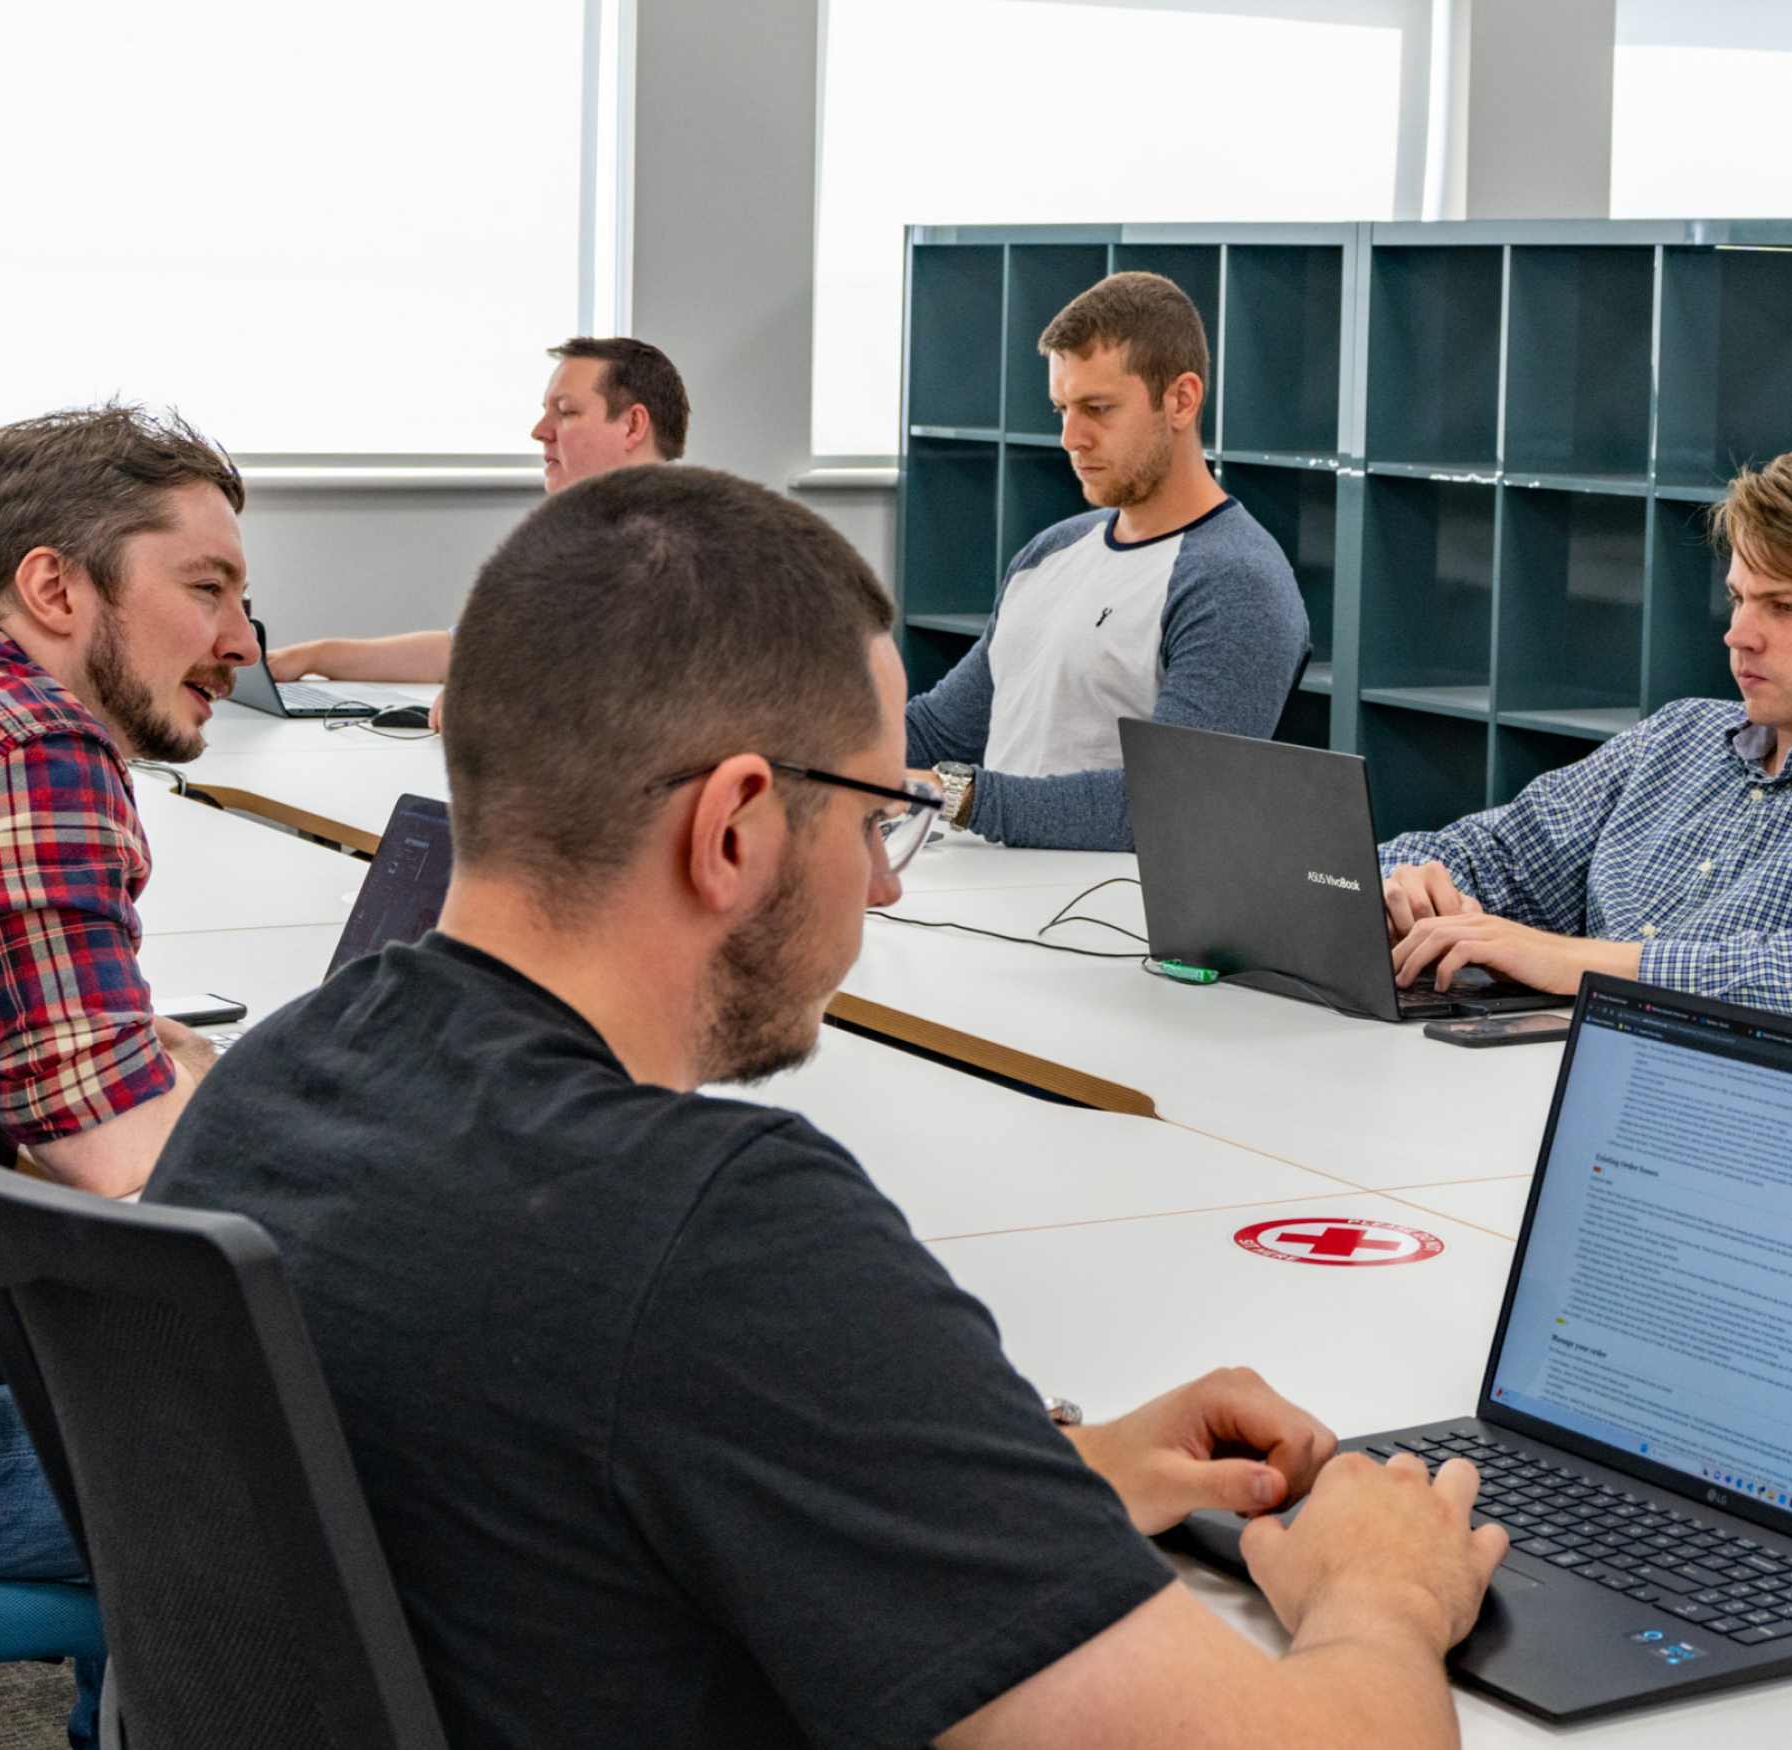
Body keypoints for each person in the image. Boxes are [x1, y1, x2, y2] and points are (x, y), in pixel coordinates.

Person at [145, 466, 1498, 1747]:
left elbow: (576, 1458)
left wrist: (1031, 1478)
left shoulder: (267, 1086)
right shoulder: (720, 1235)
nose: (887, 881)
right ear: (735, 825)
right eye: (872, 817)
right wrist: (1382, 1589)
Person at [1375, 437, 1792, 1051]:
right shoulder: (1681, 737)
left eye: (1785, 607)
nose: (1738, 635)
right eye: (1738, 598)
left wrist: (1583, 964)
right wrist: (1407, 888)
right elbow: (1496, 857)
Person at [0, 401, 259, 1742]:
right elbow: (123, 1168)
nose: (241, 641)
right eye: (205, 588)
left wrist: (175, 1065)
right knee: (351, 1480)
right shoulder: (33, 742)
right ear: (55, 587)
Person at [903, 271, 1307, 850]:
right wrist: (816, 750)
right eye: (1061, 409)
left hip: (1104, 904)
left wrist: (957, 795)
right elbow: (940, 730)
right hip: (983, 885)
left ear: (1181, 399)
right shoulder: (1050, 551)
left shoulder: (1237, 583)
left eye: (1097, 408)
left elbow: (1168, 801)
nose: (1070, 437)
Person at [264, 336, 688, 686]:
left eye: (566, 412)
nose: (540, 431)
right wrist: (314, 657)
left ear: (632, 426)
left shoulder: (691, 551)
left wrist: (492, 700)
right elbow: (468, 651)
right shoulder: (576, 541)